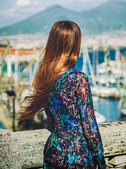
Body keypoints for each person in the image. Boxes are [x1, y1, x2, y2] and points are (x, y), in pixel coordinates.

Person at [19, 21, 106, 169]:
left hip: (53, 152)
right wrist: (101, 160)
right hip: (77, 156)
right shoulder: (78, 79)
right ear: (74, 45)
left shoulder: (45, 76)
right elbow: (89, 126)